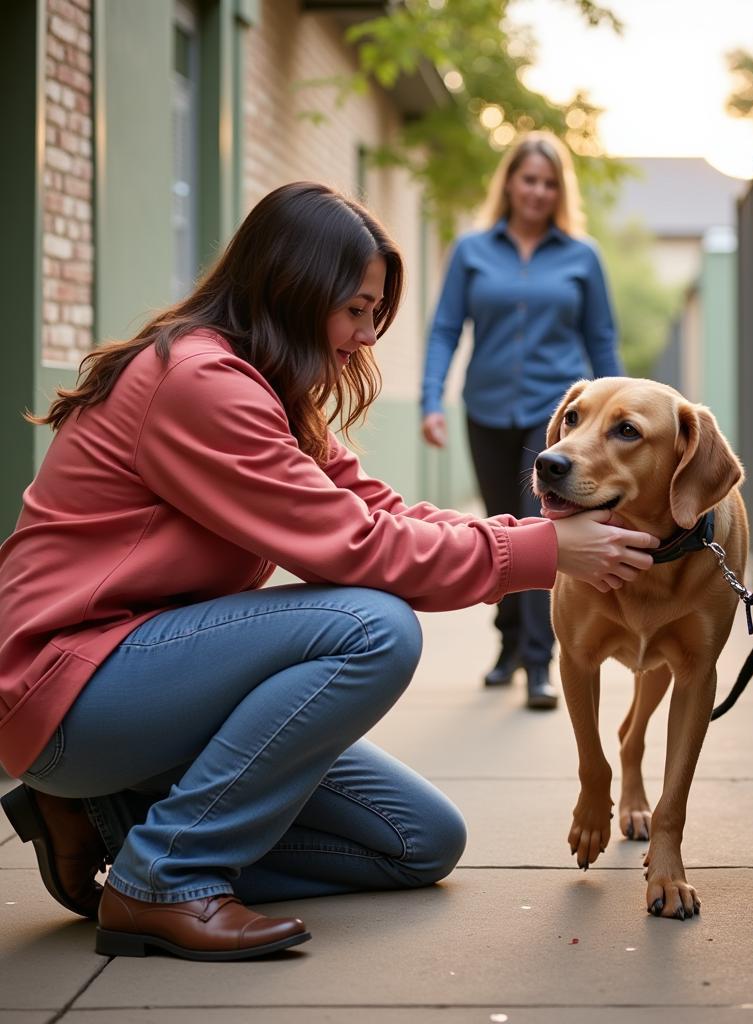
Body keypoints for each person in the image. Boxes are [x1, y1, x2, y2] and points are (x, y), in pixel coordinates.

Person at [0, 182, 660, 962]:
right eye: (354, 310)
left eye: (374, 315)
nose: (364, 336)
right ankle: (162, 877)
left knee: (418, 843)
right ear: (292, 288)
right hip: (70, 686)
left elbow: (379, 507)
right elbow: (358, 547)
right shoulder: (199, 384)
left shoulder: (273, 387)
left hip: (146, 682)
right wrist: (544, 556)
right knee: (372, 626)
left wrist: (535, 536)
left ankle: (106, 820)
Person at [420, 132, 624, 710]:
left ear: (560, 191)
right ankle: (508, 644)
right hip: (484, 408)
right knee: (501, 522)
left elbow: (602, 341)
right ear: (509, 181)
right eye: (528, 178)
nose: (537, 191)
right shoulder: (471, 250)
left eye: (549, 182)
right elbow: (443, 329)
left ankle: (539, 660)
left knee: (541, 525)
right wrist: (431, 399)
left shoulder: (582, 256)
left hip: (552, 414)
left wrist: (622, 421)